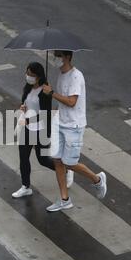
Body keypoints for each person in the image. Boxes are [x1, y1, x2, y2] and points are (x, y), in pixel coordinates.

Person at [42, 50, 107, 212]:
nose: (55, 58)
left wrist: (52, 93)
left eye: (58, 55)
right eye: (54, 55)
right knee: (57, 160)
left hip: (74, 126)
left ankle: (97, 180)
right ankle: (64, 199)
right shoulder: (61, 75)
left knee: (69, 163)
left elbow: (71, 101)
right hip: (60, 122)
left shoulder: (76, 76)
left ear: (67, 57)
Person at [12, 62, 74, 198]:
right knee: (23, 157)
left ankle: (66, 171)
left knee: (43, 160)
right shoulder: (28, 88)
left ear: (39, 76)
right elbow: (27, 103)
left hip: (41, 130)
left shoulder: (45, 91)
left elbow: (45, 114)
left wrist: (28, 120)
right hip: (27, 129)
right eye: (27, 73)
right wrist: (23, 107)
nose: (28, 76)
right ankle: (25, 186)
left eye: (31, 75)